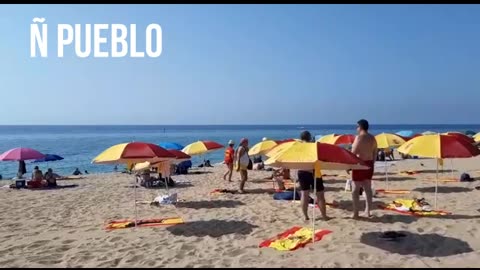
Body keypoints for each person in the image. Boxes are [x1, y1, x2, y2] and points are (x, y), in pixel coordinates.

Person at [297, 131, 328, 221]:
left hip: (301, 171)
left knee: (304, 194)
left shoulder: (298, 148)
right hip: (313, 171)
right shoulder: (313, 146)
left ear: (301, 138)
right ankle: (324, 216)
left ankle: (306, 216)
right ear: (309, 137)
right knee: (320, 194)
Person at [351, 119, 377, 219]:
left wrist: (349, 165)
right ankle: (368, 211)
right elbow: (375, 152)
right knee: (367, 188)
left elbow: (353, 152)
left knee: (355, 190)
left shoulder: (359, 137)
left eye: (357, 127)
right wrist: (372, 163)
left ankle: (356, 213)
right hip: (369, 163)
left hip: (360, 164)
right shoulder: (372, 138)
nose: (356, 129)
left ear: (360, 127)